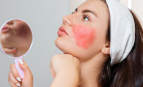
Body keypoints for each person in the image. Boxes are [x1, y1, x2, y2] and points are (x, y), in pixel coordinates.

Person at [8, 0, 143, 87]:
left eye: (85, 17)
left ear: (108, 45)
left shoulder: (65, 78)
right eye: (74, 12)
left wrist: (67, 74)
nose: (66, 18)